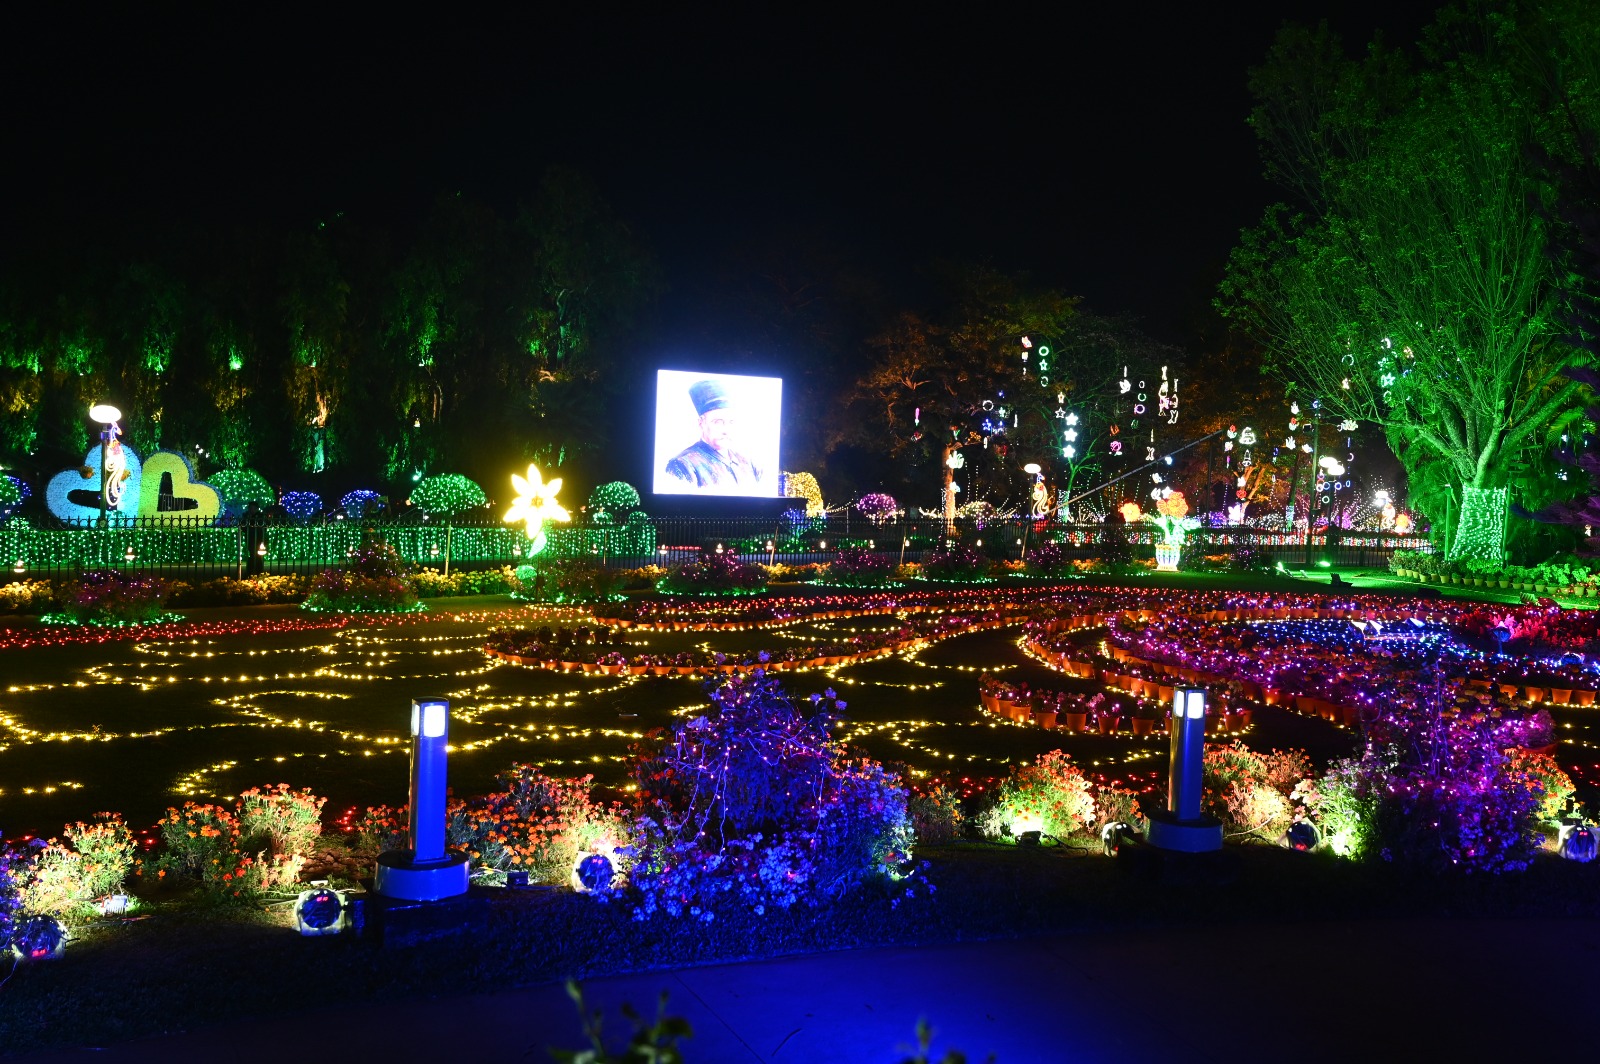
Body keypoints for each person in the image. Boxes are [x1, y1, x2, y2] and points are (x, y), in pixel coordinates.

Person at [664, 379, 765, 490]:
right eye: (718, 422)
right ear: (701, 423)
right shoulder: (683, 465)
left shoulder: (749, 463)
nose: (726, 430)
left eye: (731, 422)